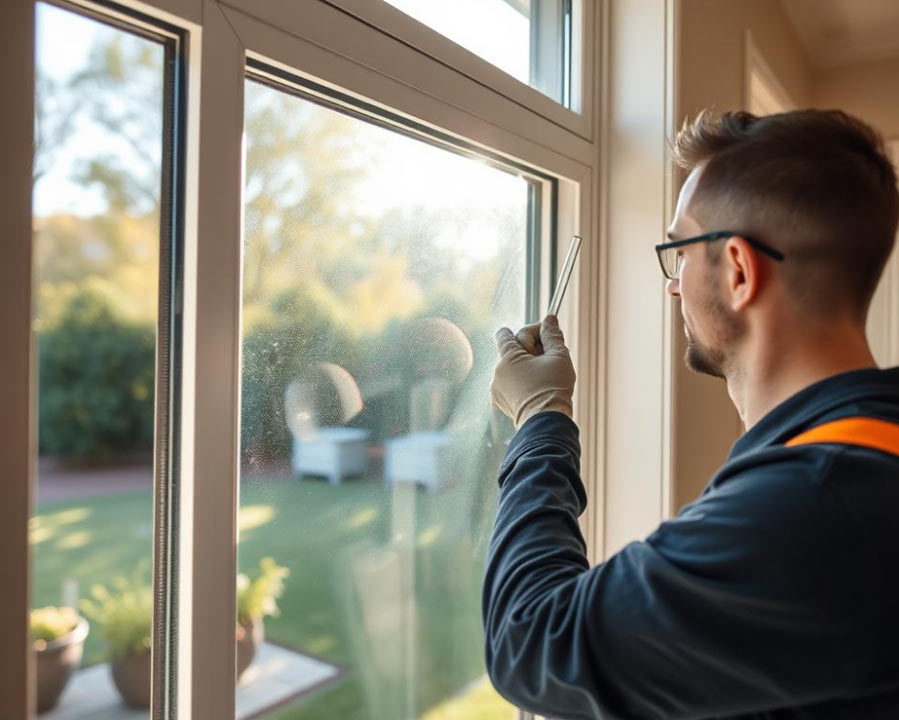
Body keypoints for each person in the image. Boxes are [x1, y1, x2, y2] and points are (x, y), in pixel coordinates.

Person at [484, 109, 899, 719]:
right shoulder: (869, 447)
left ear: (737, 270)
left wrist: (541, 418)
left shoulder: (814, 500)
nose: (673, 283)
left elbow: (532, 640)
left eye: (679, 249)